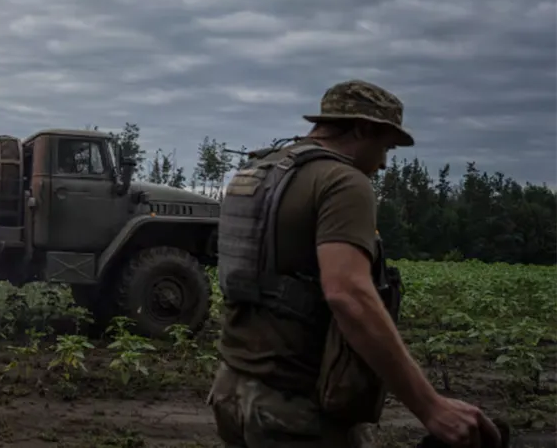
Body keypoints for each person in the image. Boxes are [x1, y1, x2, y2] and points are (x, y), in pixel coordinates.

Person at [206, 80, 501, 448]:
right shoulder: (343, 181)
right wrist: (430, 406)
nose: (382, 163)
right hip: (296, 408)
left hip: (232, 392)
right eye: (385, 147)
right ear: (362, 128)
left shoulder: (258, 173)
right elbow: (348, 294)